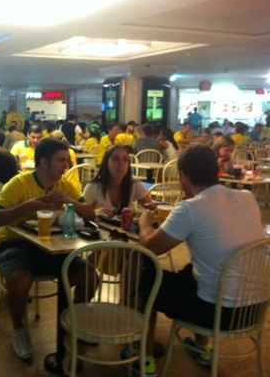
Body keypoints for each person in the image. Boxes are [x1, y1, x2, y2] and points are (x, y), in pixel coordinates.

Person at [139, 145, 264, 368]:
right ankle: (202, 350)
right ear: (216, 171)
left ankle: (144, 359)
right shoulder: (247, 197)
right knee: (191, 271)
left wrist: (145, 224)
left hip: (217, 314)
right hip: (255, 310)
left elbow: (151, 247)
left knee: (146, 277)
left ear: (183, 176)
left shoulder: (190, 208)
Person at [0, 138, 96, 360]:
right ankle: (19, 330)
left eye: (67, 160)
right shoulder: (19, 183)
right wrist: (30, 205)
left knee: (90, 276)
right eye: (60, 160)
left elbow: (89, 213)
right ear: (43, 162)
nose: (66, 165)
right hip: (15, 245)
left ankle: (74, 322)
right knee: (19, 281)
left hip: (53, 247)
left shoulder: (65, 185)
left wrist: (68, 200)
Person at [84, 145, 154, 217]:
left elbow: (151, 208)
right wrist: (96, 213)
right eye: (115, 159)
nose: (121, 163)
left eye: (125, 159)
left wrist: (138, 212)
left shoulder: (134, 185)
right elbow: (83, 219)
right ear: (106, 163)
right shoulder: (92, 188)